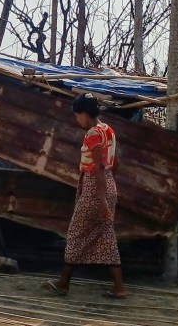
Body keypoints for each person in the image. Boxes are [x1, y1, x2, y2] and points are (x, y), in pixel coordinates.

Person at [43, 93, 126, 299]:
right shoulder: (108, 130)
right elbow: (114, 163)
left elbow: (97, 166)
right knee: (106, 236)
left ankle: (63, 284)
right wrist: (108, 186)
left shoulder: (92, 134)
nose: (76, 120)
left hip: (94, 188)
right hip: (107, 183)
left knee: (76, 233)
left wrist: (102, 198)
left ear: (85, 114)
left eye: (77, 115)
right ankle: (119, 287)